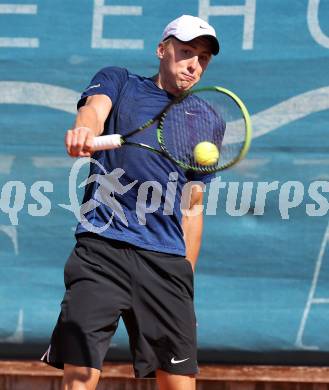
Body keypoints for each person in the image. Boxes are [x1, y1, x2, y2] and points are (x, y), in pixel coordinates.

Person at [41, 14, 220, 390]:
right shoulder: (119, 81)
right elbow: (94, 109)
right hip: (101, 251)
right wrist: (85, 130)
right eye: (186, 52)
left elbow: (192, 207)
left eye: (203, 58)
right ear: (161, 50)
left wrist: (184, 284)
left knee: (179, 385)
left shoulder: (207, 119)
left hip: (165, 263)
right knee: (80, 379)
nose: (193, 65)